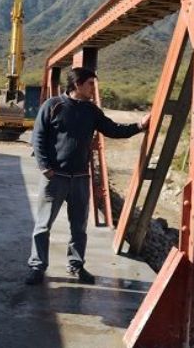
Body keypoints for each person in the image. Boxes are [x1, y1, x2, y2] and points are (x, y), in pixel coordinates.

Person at [25, 67, 150, 285]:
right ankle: (37, 266)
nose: (94, 88)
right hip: (55, 177)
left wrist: (139, 126)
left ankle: (75, 265)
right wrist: (45, 167)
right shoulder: (53, 106)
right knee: (43, 225)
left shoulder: (91, 111)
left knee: (79, 227)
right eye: (91, 83)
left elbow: (112, 129)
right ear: (77, 84)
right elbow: (38, 137)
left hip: (80, 178)